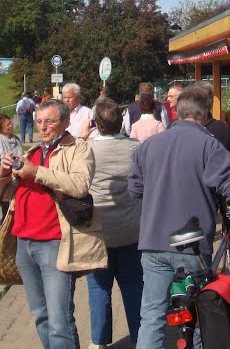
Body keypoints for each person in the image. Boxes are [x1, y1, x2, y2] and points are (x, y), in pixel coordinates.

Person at [128, 86, 230, 349]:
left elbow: (135, 189)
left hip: (153, 239)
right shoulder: (208, 144)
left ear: (177, 112)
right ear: (204, 115)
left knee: (151, 316)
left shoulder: (150, 145)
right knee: (199, 315)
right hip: (189, 242)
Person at [0, 99, 107, 349]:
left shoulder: (78, 148)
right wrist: (3, 174)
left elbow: (79, 185)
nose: (43, 127)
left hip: (54, 244)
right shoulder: (32, 151)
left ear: (66, 122)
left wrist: (35, 172)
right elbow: (3, 194)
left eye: (50, 121)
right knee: (40, 316)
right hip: (24, 244)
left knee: (60, 321)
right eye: (39, 122)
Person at [86, 100, 143, 349]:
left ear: (96, 123)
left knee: (99, 287)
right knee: (133, 287)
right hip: (131, 229)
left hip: (99, 232)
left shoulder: (86, 149)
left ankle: (99, 340)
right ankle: (140, 336)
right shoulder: (135, 147)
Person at [0, 112, 24, 219]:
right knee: (7, 217)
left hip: (19, 183)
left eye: (10, 123)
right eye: (7, 125)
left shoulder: (16, 139)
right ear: (1, 128)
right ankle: (3, 235)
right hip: (6, 187)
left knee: (19, 215)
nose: (11, 126)